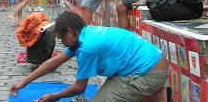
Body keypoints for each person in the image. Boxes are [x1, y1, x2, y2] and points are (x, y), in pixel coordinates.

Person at [10, 11, 169, 102]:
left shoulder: (87, 47)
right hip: (150, 63)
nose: (63, 43)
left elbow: (80, 88)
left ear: (72, 31)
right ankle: (154, 93)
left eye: (63, 38)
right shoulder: (86, 33)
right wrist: (24, 82)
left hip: (147, 72)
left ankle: (153, 91)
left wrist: (54, 96)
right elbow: (55, 61)